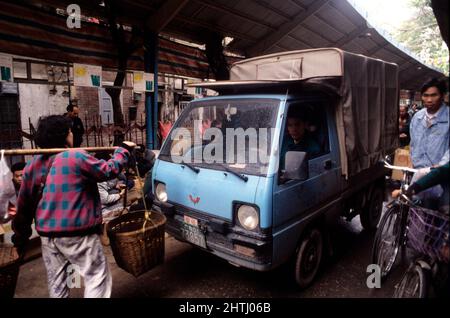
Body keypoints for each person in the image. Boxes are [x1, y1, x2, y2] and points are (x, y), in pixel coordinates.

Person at [11, 115, 135, 298]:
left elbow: (24, 207)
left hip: (48, 237)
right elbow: (109, 170)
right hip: (78, 235)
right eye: (69, 131)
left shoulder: (32, 165)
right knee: (96, 277)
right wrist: (123, 150)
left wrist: (20, 236)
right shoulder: (75, 156)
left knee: (58, 284)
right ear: (64, 135)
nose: (72, 134)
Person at [410, 78, 449, 169]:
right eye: (425, 95)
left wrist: (440, 166)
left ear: (442, 95)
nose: (429, 100)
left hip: (439, 175)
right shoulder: (417, 117)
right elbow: (413, 144)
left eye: (434, 95)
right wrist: (411, 160)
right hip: (416, 172)